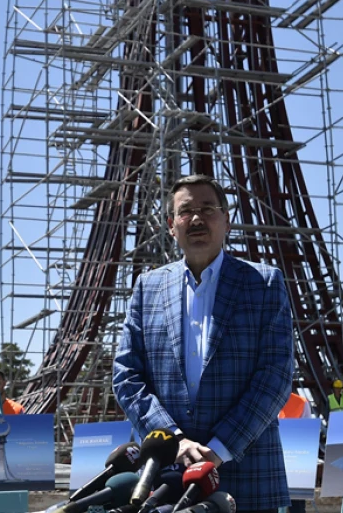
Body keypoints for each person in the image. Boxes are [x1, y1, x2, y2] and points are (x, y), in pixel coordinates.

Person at [113, 174, 294, 513]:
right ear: (171, 225)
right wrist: (174, 440)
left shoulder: (264, 284)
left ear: (226, 220)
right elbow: (126, 375)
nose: (197, 218)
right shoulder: (147, 287)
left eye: (208, 208)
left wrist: (220, 448)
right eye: (186, 211)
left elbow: (275, 376)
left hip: (246, 474)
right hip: (166, 475)